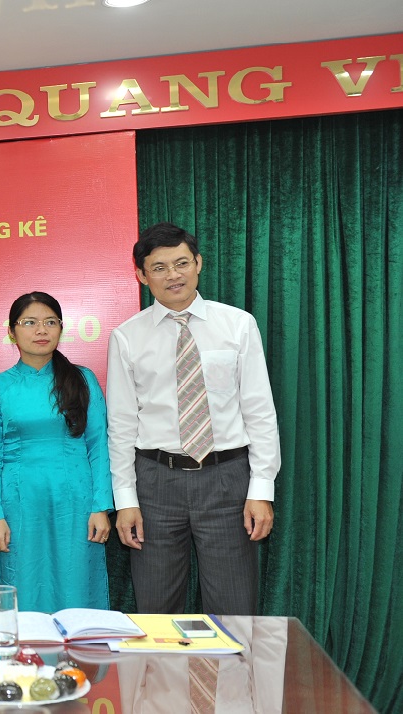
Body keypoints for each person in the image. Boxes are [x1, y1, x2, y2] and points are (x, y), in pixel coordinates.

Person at [106, 222, 280, 616]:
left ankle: (233, 662)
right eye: (159, 267)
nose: (173, 275)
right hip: (155, 483)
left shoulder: (238, 324)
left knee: (233, 607)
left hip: (227, 479)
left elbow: (259, 411)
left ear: (198, 263)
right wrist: (126, 500)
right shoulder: (126, 337)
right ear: (141, 275)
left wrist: (261, 489)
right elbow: (121, 425)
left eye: (181, 263)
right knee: (156, 608)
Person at [0, 292, 113, 612]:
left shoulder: (82, 379)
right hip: (19, 500)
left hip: (77, 499)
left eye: (50, 322)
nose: (41, 330)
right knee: (24, 581)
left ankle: (79, 646)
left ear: (61, 328)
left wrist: (101, 506)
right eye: (30, 323)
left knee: (76, 580)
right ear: (12, 331)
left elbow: (98, 446)